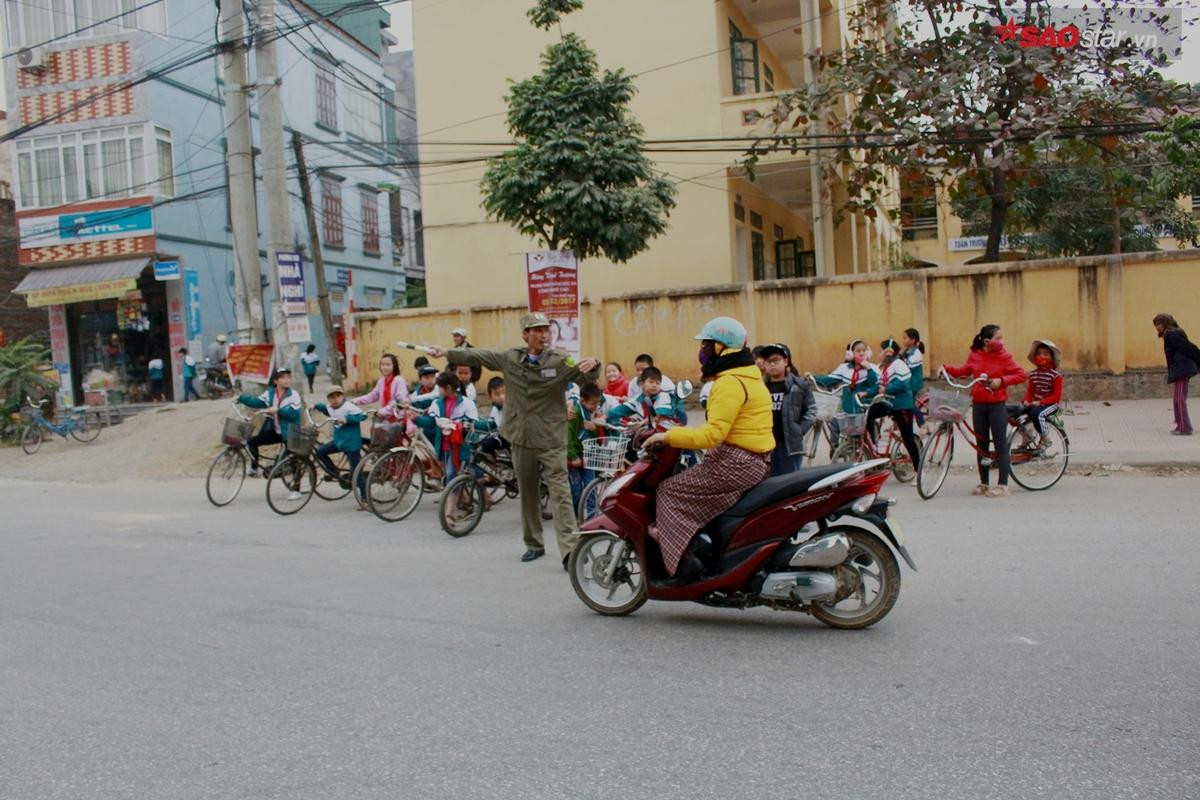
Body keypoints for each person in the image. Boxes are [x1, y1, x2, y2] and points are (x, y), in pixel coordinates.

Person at [428, 312, 601, 566]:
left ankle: (570, 550)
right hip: (521, 437)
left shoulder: (559, 360)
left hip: (551, 438)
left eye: (546, 330)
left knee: (560, 493)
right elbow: (479, 355)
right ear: (525, 335)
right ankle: (534, 543)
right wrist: (446, 352)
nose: (544, 334)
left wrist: (593, 364)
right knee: (528, 491)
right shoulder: (511, 358)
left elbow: (585, 376)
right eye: (537, 330)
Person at [642, 317, 774, 582]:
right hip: (751, 459)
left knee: (668, 490)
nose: (702, 350)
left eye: (707, 344)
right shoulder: (749, 376)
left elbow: (713, 434)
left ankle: (685, 563)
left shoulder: (730, 382)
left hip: (736, 462)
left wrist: (669, 437)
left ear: (723, 348)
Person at [942, 324, 1028, 497]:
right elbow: (964, 371)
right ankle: (984, 482)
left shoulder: (1005, 356)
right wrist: (945, 369)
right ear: (987, 341)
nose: (1001, 341)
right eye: (998, 338)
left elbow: (1021, 374)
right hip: (979, 405)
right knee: (981, 445)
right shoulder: (975, 355)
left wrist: (1001, 381)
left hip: (997, 405)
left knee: (1000, 444)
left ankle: (1003, 485)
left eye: (1001, 338)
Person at [808, 339, 879, 447]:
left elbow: (875, 384)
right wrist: (813, 377)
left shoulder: (872, 368)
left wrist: (868, 369)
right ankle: (837, 448)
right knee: (837, 424)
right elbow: (829, 379)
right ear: (851, 354)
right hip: (848, 407)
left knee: (868, 434)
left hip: (864, 407)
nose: (861, 353)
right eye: (858, 351)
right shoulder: (844, 368)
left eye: (863, 350)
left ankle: (873, 451)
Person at [865, 338, 921, 471]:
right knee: (867, 414)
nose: (879, 354)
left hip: (902, 406)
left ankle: (918, 471)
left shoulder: (899, 364)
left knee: (908, 439)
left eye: (880, 351)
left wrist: (887, 389)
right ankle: (873, 447)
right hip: (888, 403)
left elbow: (903, 383)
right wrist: (866, 393)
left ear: (889, 352)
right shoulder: (885, 367)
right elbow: (879, 385)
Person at [760, 342, 816, 476]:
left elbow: (811, 410)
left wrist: (799, 430)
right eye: (768, 361)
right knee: (769, 482)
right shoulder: (760, 387)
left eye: (776, 360)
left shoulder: (799, 385)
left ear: (786, 361)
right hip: (766, 444)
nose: (772, 364)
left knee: (789, 481)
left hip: (790, 445)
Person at [238, 367, 303, 476]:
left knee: (294, 462)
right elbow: (257, 401)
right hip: (277, 432)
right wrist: (241, 398)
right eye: (282, 378)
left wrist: (278, 410)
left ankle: (297, 490)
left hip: (291, 433)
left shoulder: (293, 395)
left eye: (288, 377)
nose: (287, 380)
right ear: (275, 381)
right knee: (252, 442)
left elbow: (294, 414)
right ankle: (254, 469)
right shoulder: (271, 393)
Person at [419, 371, 479, 482]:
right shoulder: (437, 403)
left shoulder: (466, 403)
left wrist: (462, 425)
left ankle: (451, 498)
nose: (438, 391)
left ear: (448, 388)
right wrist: (415, 418)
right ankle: (471, 496)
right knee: (451, 476)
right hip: (444, 445)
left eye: (439, 388)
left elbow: (473, 424)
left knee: (452, 477)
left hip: (459, 447)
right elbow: (430, 422)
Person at [1154, 313, 1200, 436]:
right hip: (1180, 369)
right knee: (1177, 399)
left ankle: (1185, 428)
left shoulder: (1172, 334)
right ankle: (1181, 425)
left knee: (1179, 399)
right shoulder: (1170, 334)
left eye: (1158, 324)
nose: (1156, 328)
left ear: (1164, 323)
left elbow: (1189, 348)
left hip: (1182, 369)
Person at [313, 386, 366, 486]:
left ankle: (365, 497)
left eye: (338, 396)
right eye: (332, 398)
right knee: (320, 451)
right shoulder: (331, 408)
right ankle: (333, 471)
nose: (335, 399)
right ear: (328, 399)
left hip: (351, 444)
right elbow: (325, 408)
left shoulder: (348, 406)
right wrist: (315, 405)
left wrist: (347, 419)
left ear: (342, 396)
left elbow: (363, 415)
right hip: (339, 442)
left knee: (356, 473)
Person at [1019, 340, 1064, 446]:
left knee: (1036, 414)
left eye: (1045, 354)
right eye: (1039, 354)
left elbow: (1056, 396)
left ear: (1052, 358)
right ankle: (1027, 436)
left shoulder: (1056, 376)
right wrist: (1027, 400)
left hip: (1050, 404)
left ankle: (1045, 437)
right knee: (1015, 413)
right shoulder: (1033, 375)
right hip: (1035, 403)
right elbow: (1030, 391)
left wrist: (1041, 402)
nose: (1041, 356)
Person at [567, 383, 604, 510]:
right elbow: (567, 436)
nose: (595, 407)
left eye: (597, 403)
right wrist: (573, 456)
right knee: (576, 490)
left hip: (588, 454)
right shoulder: (574, 412)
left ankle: (591, 517)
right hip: (575, 456)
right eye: (593, 403)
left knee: (591, 487)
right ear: (583, 400)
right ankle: (577, 518)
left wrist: (594, 428)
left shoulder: (590, 413)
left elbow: (591, 435)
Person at [352, 354, 410, 422]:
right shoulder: (382, 381)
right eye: (382, 365)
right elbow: (372, 396)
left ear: (394, 366)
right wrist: (354, 401)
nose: (385, 367)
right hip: (386, 419)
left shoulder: (399, 380)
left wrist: (383, 411)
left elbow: (400, 402)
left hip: (399, 418)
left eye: (388, 365)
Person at [606, 366, 675, 423]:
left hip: (662, 434)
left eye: (658, 383)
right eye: (651, 382)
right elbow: (621, 409)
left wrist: (641, 424)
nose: (655, 385)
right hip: (645, 433)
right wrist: (605, 417)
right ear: (642, 384)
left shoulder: (663, 396)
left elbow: (657, 416)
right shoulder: (638, 399)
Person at [901, 328, 926, 426]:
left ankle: (922, 422)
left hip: (913, 383)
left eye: (905, 338)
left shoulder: (916, 353)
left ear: (913, 340)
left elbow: (907, 367)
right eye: (903, 338)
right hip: (908, 382)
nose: (903, 340)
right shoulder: (907, 350)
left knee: (909, 404)